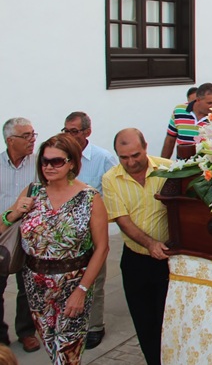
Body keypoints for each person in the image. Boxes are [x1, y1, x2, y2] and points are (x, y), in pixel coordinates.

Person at [1, 134, 109, 364]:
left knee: (67, 355)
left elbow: (102, 248)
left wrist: (82, 290)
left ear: (72, 163)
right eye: (44, 161)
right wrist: (15, 213)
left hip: (73, 285)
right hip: (36, 287)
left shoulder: (89, 198)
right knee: (52, 348)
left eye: (56, 161)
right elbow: (2, 226)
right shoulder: (33, 192)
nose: (49, 166)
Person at [102, 129, 171, 365]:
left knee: (168, 320)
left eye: (135, 155)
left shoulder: (167, 169)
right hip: (136, 260)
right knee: (145, 322)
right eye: (124, 158)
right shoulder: (110, 179)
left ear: (145, 147)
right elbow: (123, 220)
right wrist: (151, 244)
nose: (131, 162)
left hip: (169, 261)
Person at [62, 112, 118, 349]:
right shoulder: (61, 157)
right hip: (66, 232)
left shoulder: (102, 158)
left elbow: (114, 189)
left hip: (92, 228)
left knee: (95, 278)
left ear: (87, 132)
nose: (69, 135)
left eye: (74, 131)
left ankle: (94, 325)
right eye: (66, 130)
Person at [0, 118, 39, 353]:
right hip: (2, 233)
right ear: (10, 140)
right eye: (26, 136)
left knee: (28, 287)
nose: (32, 140)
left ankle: (26, 332)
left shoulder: (39, 164)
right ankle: (0, 338)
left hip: (30, 234)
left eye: (33, 134)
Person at [161, 82, 212, 159]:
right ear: (198, 100)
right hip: (182, 164)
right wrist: (163, 162)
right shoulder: (179, 110)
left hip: (207, 164)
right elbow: (170, 139)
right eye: (209, 103)